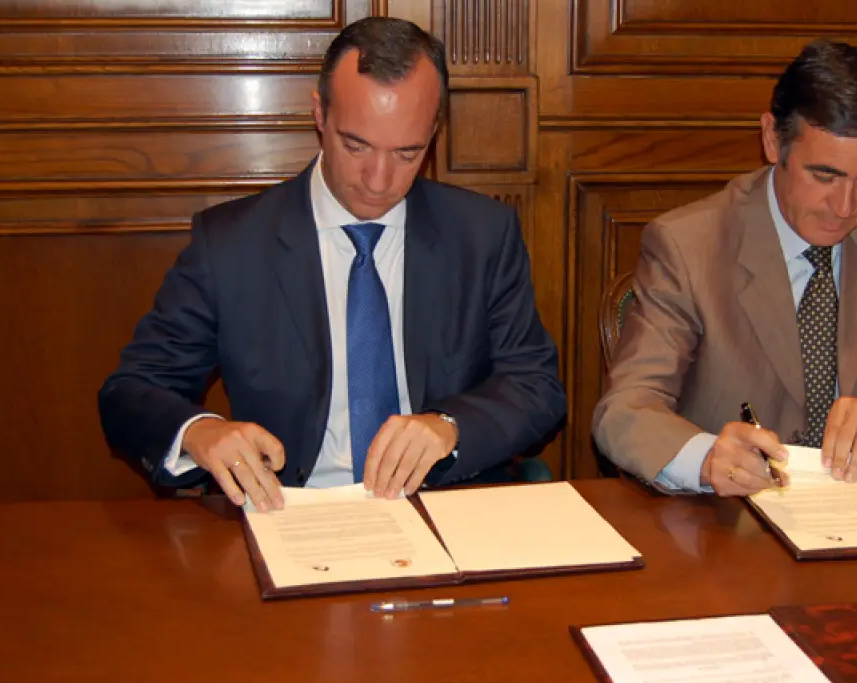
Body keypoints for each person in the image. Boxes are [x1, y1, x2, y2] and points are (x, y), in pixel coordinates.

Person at [99, 18, 564, 511]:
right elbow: (131, 391)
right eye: (356, 145)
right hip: (289, 511)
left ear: (434, 132)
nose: (378, 180)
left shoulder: (481, 234)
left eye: (407, 153)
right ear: (319, 113)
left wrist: (451, 427)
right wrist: (200, 432)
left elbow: (536, 386)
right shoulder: (233, 245)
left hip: (443, 509)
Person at [592, 39, 857, 496]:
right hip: (731, 517)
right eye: (825, 176)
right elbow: (625, 409)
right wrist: (706, 459)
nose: (845, 207)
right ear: (772, 140)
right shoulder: (689, 246)